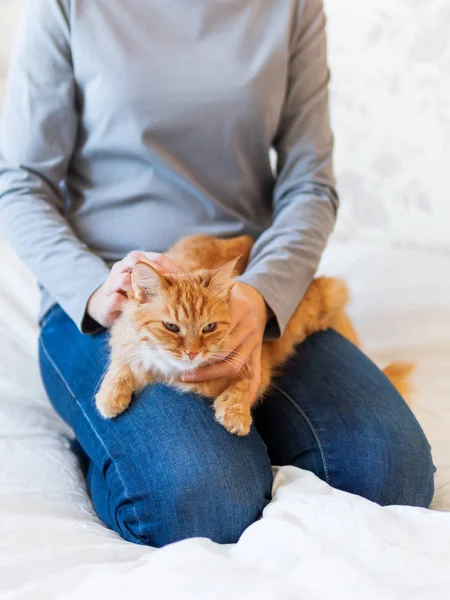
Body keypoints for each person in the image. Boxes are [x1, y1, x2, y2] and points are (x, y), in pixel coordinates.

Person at [0, 0, 434, 548]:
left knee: (389, 473)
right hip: (111, 297)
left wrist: (261, 297)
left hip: (245, 284)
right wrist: (94, 290)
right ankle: (120, 444)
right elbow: (19, 185)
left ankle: (228, 436)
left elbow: (310, 186)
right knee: (202, 502)